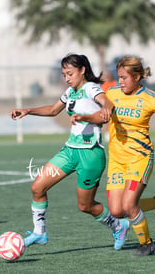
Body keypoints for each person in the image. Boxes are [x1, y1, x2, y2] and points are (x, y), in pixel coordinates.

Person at [10, 53, 130, 250]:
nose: (66, 77)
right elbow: (52, 110)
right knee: (37, 188)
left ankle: (118, 226)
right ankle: (39, 233)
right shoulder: (70, 92)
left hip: (90, 155)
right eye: (64, 74)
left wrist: (107, 106)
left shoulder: (90, 88)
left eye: (70, 73)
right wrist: (27, 110)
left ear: (82, 70)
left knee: (85, 206)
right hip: (69, 152)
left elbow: (104, 101)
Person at [75, 55, 155, 256]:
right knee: (117, 211)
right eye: (119, 77)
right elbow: (102, 115)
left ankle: (147, 244)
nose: (120, 81)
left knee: (128, 205)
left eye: (124, 77)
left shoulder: (151, 98)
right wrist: (84, 117)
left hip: (140, 158)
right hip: (117, 160)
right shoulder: (112, 93)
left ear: (138, 77)